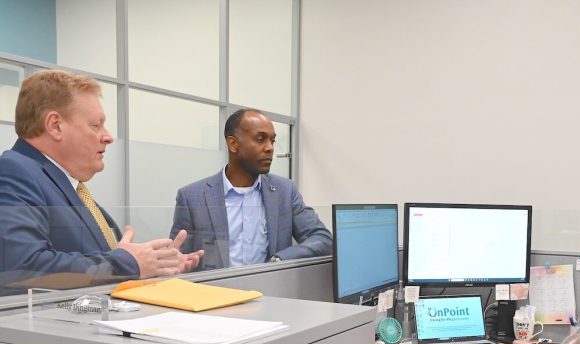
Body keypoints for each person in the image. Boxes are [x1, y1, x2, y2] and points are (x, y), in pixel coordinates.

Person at [0, 69, 201, 290]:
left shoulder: (66, 185)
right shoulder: (13, 172)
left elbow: (102, 264)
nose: (108, 137)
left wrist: (157, 266)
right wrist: (130, 263)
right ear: (55, 125)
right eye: (96, 125)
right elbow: (20, 268)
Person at [170, 109, 332, 270]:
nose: (270, 148)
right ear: (233, 144)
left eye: (272, 141)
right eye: (260, 139)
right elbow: (177, 259)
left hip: (271, 286)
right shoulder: (192, 197)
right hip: (214, 286)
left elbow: (322, 239)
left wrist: (280, 260)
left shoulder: (285, 191)